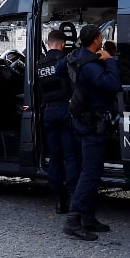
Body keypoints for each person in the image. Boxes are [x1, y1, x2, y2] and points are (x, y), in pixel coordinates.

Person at [63, 24, 121, 241]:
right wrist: (111, 61)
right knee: (90, 173)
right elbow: (112, 84)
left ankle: (88, 217)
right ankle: (73, 219)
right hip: (92, 125)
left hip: (82, 121)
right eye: (101, 36)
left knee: (90, 172)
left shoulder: (76, 57)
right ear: (96, 40)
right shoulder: (91, 65)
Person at [35, 29, 79, 215]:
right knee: (70, 156)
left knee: (54, 157)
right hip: (65, 110)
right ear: (62, 44)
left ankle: (59, 199)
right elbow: (75, 86)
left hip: (48, 112)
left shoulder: (40, 64)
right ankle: (73, 195)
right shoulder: (65, 61)